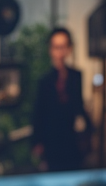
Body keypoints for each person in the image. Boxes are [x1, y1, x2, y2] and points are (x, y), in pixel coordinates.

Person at [30, 26, 91, 172]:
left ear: (69, 49)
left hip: (71, 141)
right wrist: (37, 144)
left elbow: (79, 105)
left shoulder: (76, 76)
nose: (60, 52)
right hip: (51, 142)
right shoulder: (44, 81)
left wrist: (90, 130)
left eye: (63, 47)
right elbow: (39, 113)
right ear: (50, 50)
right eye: (56, 47)